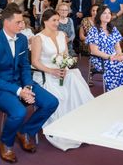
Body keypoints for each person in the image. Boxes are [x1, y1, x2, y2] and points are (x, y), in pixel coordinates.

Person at [0, 3, 59, 163]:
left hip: (20, 82)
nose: (22, 25)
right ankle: (6, 142)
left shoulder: (22, 39)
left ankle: (25, 132)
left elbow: (24, 66)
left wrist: (28, 86)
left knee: (51, 102)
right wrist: (19, 91)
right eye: (18, 22)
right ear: (6, 23)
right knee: (19, 112)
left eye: (22, 21)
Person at [30, 8, 93, 150]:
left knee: (75, 79)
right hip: (45, 74)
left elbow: (65, 55)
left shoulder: (61, 35)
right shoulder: (38, 38)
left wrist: (65, 67)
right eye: (54, 20)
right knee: (61, 92)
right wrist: (52, 70)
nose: (57, 23)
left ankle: (81, 122)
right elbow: (35, 62)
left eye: (58, 20)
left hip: (61, 71)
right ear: (45, 21)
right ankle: (61, 126)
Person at [87, 5, 123, 91]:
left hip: (114, 56)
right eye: (104, 13)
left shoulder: (113, 29)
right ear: (99, 15)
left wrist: (119, 54)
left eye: (109, 13)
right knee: (121, 67)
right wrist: (110, 57)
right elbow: (94, 51)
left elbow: (117, 46)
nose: (108, 15)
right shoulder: (94, 30)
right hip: (101, 59)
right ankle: (116, 91)